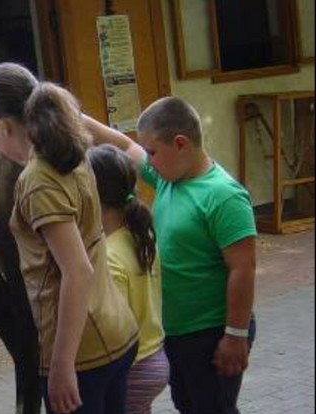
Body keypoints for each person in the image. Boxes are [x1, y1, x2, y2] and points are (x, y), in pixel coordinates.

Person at [0, 62, 139, 414]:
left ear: (0, 124)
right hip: (117, 329)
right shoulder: (72, 150)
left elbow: (77, 271)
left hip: (82, 354)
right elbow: (21, 148)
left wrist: (61, 366)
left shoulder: (37, 182)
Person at [88, 97, 257, 414]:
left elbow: (243, 268)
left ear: (180, 144)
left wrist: (236, 335)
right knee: (187, 405)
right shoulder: (168, 178)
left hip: (211, 333)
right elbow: (124, 146)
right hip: (178, 334)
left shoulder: (223, 195)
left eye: (152, 152)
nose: (147, 162)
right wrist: (74, 117)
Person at [88, 144, 169, 414]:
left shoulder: (109, 256)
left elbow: (115, 328)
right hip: (155, 356)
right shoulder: (141, 236)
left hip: (135, 366)